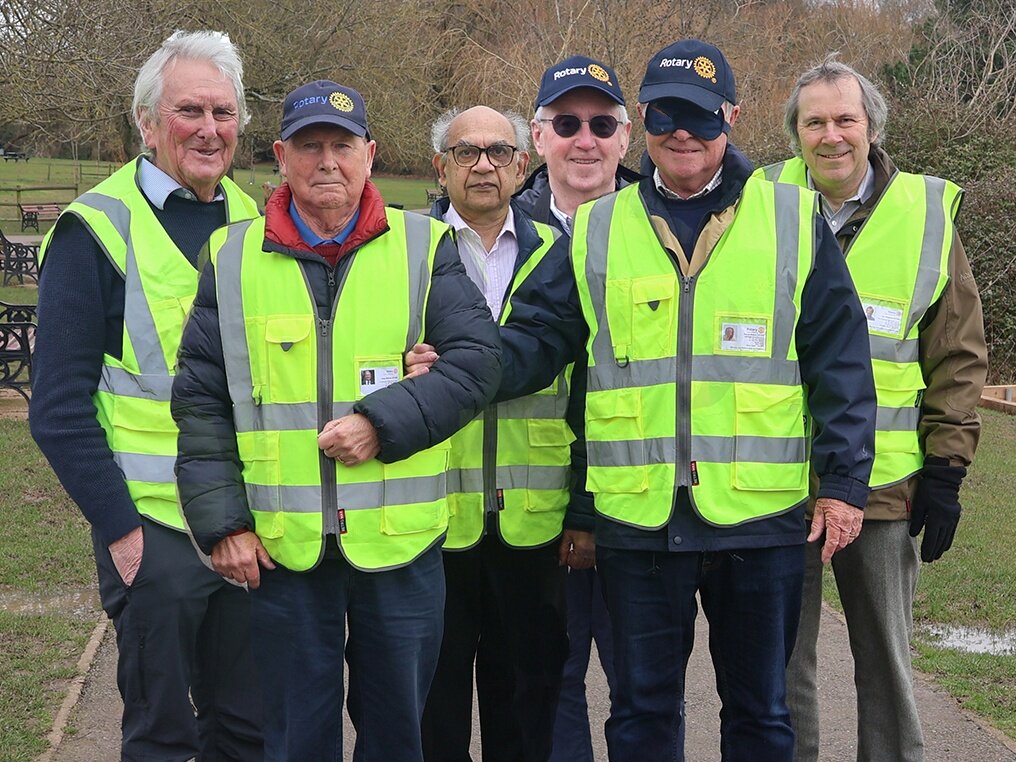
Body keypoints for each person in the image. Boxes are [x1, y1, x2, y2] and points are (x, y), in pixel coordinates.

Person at [408, 39, 878, 760]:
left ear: (731, 117)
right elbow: (534, 342)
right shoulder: (599, 229)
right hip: (639, 522)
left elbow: (839, 363)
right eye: (664, 115)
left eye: (697, 116)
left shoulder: (790, 218)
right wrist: (456, 369)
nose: (681, 132)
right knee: (641, 713)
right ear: (644, 122)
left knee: (760, 715)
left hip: (758, 520)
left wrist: (845, 483)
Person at [171, 80, 501, 761]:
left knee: (396, 738)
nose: (328, 162)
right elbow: (202, 403)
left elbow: (475, 364)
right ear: (281, 156)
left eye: (343, 146)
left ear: (370, 154)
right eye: (311, 146)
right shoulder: (231, 260)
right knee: (294, 741)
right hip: (284, 551)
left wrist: (382, 423)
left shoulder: (425, 246)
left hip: (400, 549)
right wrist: (223, 524)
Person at [29, 31, 263, 760]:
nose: (208, 128)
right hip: (154, 532)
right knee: (163, 738)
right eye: (189, 109)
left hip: (251, 519)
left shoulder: (255, 220)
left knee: (248, 731)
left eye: (223, 112)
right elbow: (58, 410)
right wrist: (122, 534)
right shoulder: (95, 229)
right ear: (147, 121)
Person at [758, 57, 987, 762]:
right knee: (777, 668)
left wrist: (946, 468)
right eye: (814, 121)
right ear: (795, 133)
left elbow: (958, 354)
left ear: (873, 127)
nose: (831, 136)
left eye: (845, 119)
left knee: (885, 662)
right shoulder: (758, 198)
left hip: (886, 486)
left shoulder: (924, 213)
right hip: (773, 481)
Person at [420, 104, 578, 762]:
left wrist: (587, 509)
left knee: (525, 709)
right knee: (435, 709)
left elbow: (588, 387)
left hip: (532, 527)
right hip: (430, 524)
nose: (483, 164)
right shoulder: (404, 252)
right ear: (441, 167)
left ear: (522, 163)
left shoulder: (562, 254)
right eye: (466, 152)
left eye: (498, 151)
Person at [515, 55, 635, 762]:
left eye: (601, 123)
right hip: (532, 507)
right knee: (549, 687)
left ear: (628, 136)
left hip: (637, 508)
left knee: (643, 689)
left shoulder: (668, 226)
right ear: (539, 136)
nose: (584, 139)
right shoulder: (491, 231)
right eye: (566, 123)